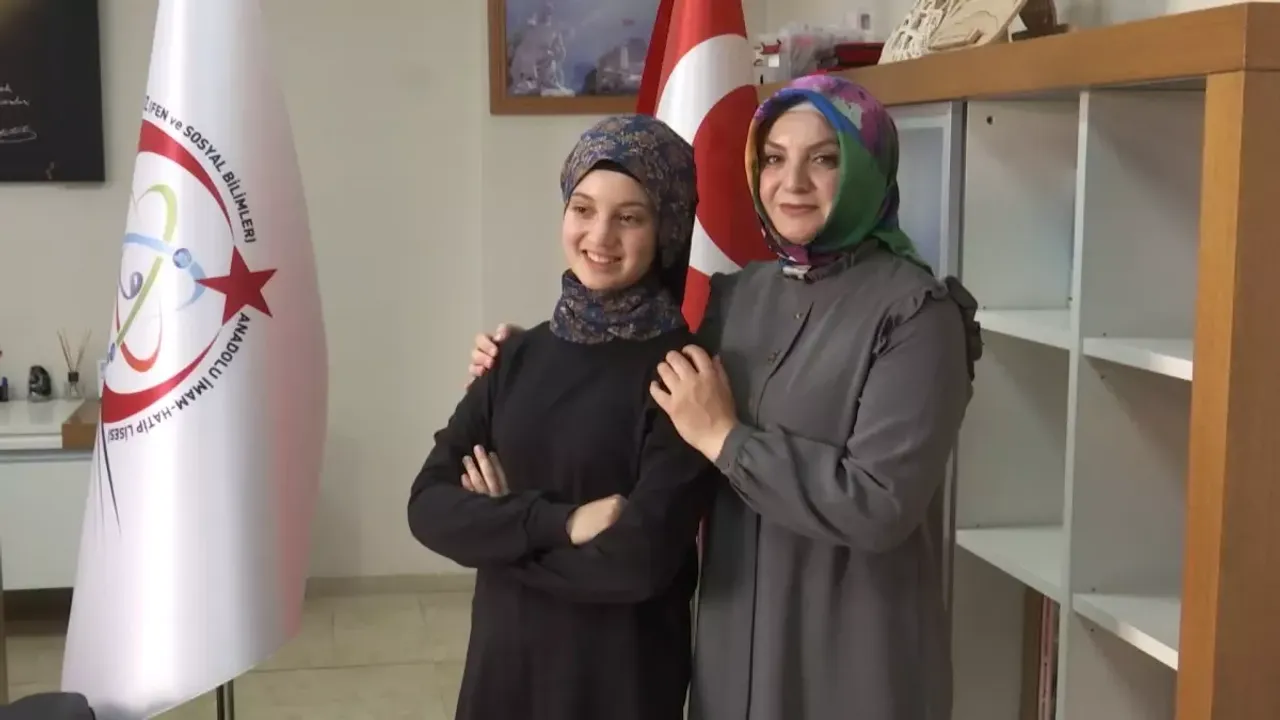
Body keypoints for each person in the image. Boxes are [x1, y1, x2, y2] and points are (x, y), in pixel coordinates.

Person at [466, 74, 982, 720]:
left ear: (867, 168)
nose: (792, 182)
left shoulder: (917, 316)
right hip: (733, 641)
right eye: (775, 158)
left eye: (824, 159)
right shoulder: (739, 297)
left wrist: (725, 439)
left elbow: (879, 504)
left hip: (849, 646)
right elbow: (642, 399)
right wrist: (528, 360)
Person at [407, 114, 718, 720]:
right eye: (583, 209)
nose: (600, 235)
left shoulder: (684, 376)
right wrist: (564, 522)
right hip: (504, 669)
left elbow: (637, 564)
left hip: (619, 681)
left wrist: (498, 531)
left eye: (630, 217)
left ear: (668, 229)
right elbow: (427, 507)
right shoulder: (514, 357)